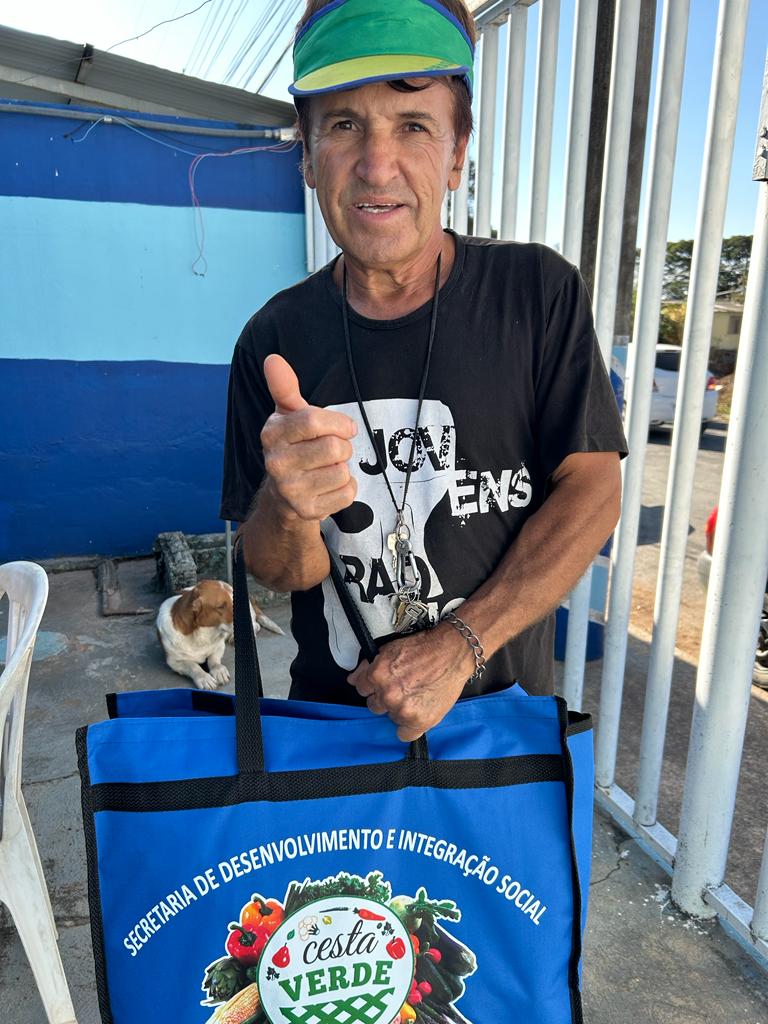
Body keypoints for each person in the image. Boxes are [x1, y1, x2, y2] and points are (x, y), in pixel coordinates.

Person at [220, 0, 627, 742]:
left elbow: (593, 488)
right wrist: (287, 506)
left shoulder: (537, 294)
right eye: (345, 125)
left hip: (502, 738)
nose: (378, 167)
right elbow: (282, 570)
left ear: (457, 152)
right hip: (334, 735)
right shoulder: (270, 340)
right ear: (307, 155)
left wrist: (461, 644)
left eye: (413, 126)